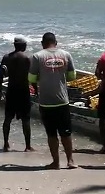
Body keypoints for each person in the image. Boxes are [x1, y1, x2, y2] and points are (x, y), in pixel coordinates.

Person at [28, 32, 77, 169]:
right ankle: (70, 161)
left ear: (43, 43)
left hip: (46, 101)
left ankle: (56, 162)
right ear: (56, 42)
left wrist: (43, 78)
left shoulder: (37, 56)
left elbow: (31, 78)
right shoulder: (66, 55)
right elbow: (72, 76)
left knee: (51, 133)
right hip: (62, 100)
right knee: (66, 133)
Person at [0, 36, 35, 152]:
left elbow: (0, 75)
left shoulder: (6, 58)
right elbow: (32, 78)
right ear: (23, 46)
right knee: (26, 119)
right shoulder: (26, 59)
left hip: (11, 90)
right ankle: (27, 146)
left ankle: (5, 144)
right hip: (23, 91)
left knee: (8, 118)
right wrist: (36, 90)